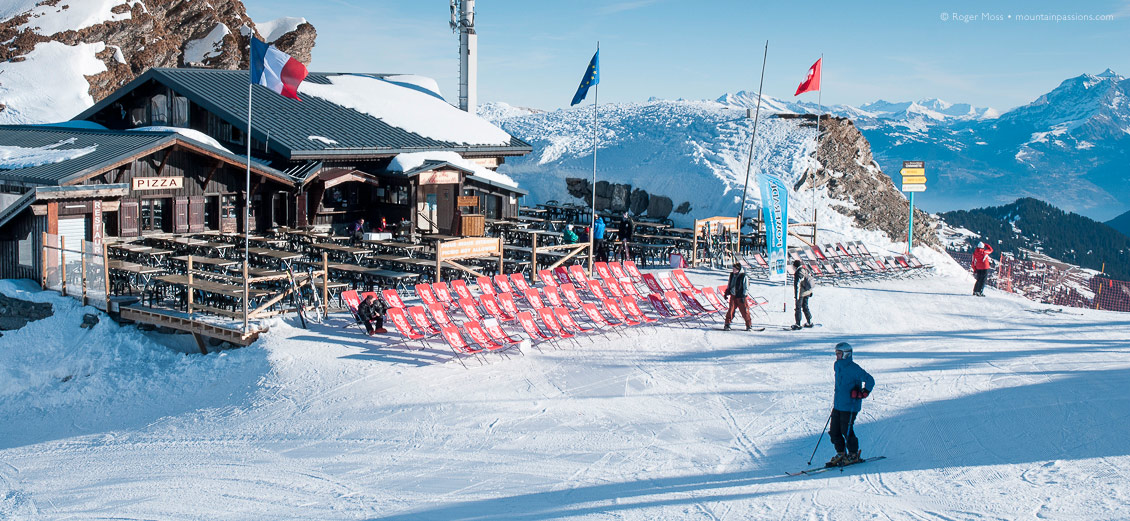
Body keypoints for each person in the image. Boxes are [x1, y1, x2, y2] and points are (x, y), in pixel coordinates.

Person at [827, 342, 875, 467]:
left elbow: (870, 380)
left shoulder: (854, 368)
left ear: (846, 354)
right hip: (838, 404)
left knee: (846, 430)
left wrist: (863, 393)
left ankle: (853, 454)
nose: (837, 355)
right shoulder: (837, 365)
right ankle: (841, 453)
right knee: (833, 431)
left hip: (850, 405)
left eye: (839, 353)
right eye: (836, 353)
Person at [722, 262, 752, 331]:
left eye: (734, 269)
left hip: (740, 296)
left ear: (738, 269)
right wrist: (727, 292)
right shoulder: (732, 275)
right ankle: (727, 324)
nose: (733, 270)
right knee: (731, 310)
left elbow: (746, 287)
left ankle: (748, 325)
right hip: (733, 295)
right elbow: (729, 284)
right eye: (733, 269)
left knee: (744, 311)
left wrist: (744, 296)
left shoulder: (744, 276)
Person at [791, 259, 814, 330]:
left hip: (801, 293)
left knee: (798, 308)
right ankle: (809, 322)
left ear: (795, 266)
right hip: (807, 292)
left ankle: (798, 324)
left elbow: (797, 285)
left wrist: (796, 296)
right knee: (805, 307)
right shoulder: (805, 270)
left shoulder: (798, 273)